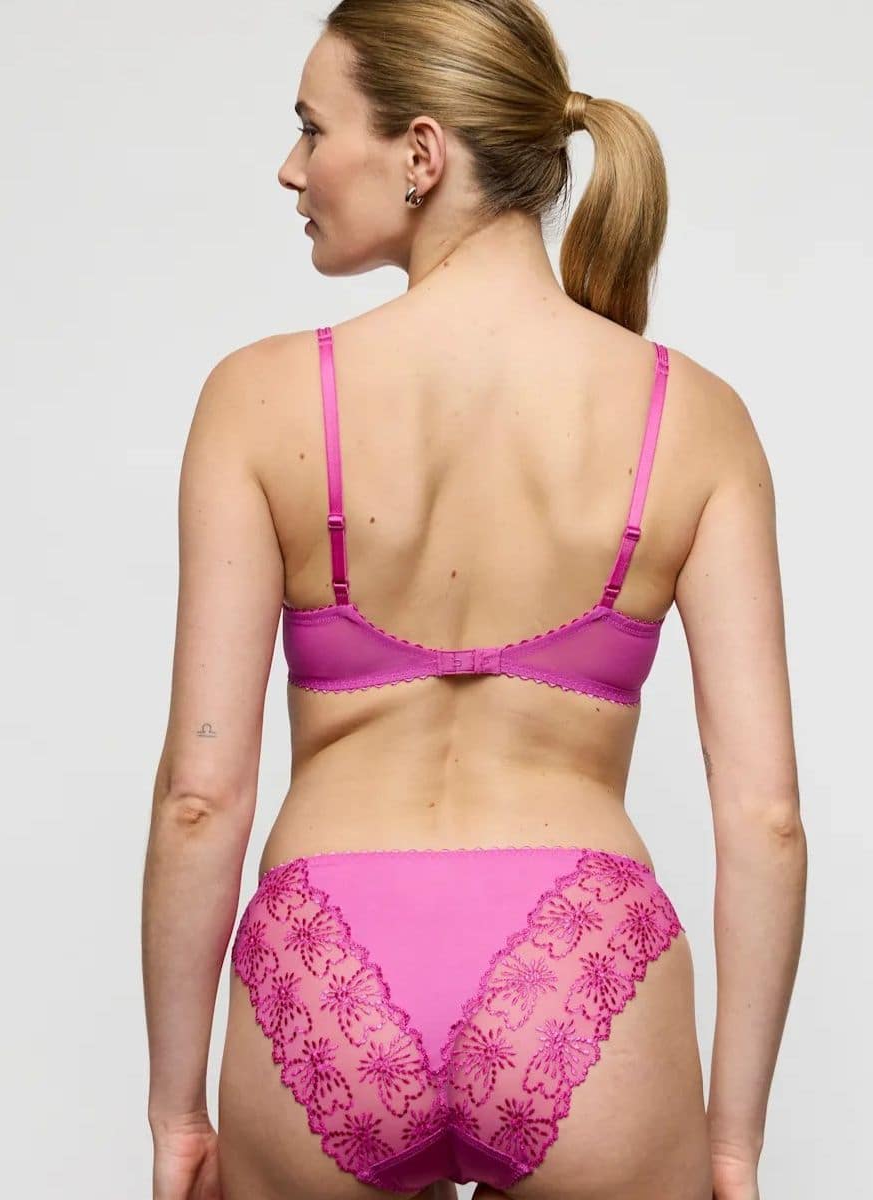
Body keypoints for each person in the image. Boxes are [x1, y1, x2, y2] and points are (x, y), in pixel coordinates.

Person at [141, 2, 806, 1199]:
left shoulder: (257, 400)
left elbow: (201, 797)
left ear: (422, 152)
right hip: (581, 957)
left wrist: (177, 1106)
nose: (291, 168)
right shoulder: (697, 418)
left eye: (312, 127)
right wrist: (734, 1141)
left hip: (324, 957)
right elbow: (764, 818)